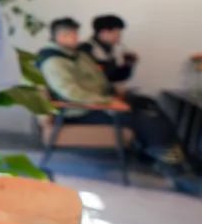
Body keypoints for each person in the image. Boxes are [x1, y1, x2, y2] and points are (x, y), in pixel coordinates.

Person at [37, 17, 199, 195]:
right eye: (71, 35)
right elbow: (71, 92)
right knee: (146, 120)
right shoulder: (54, 60)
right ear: (59, 36)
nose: (76, 38)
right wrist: (107, 102)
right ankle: (178, 173)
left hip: (98, 103)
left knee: (149, 107)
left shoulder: (78, 55)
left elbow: (100, 80)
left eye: (76, 34)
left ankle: (178, 160)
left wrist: (114, 93)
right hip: (79, 111)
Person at [80, 14, 137, 84]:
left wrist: (128, 65)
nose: (119, 37)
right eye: (116, 33)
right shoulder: (85, 49)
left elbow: (114, 77)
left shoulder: (108, 49)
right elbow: (95, 77)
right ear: (104, 32)